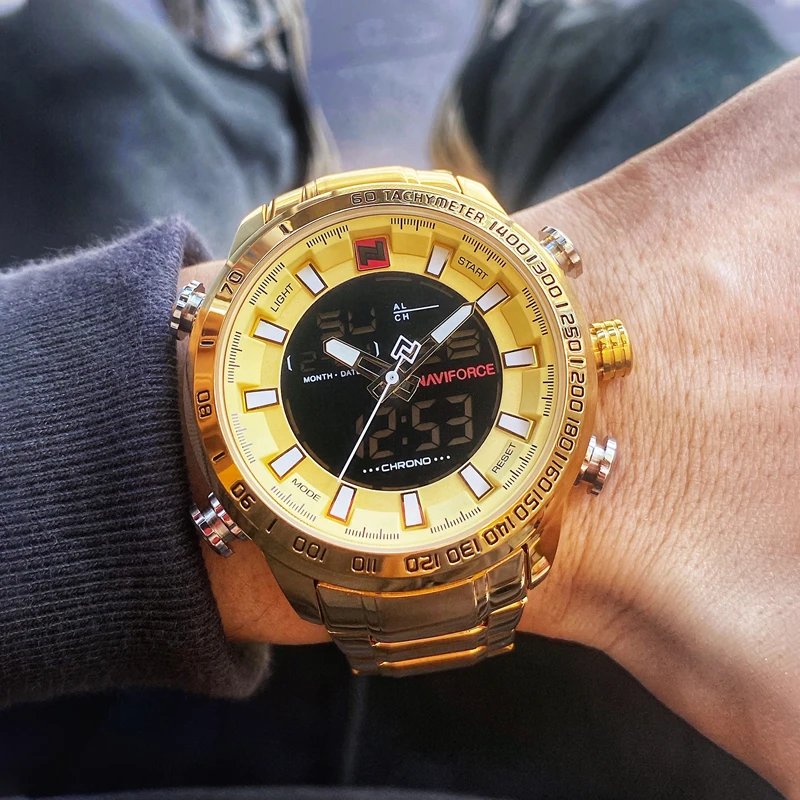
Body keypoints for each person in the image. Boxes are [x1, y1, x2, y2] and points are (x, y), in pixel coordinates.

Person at [0, 0, 796, 798]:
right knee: (685, 34)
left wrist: (122, 391)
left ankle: (242, 102)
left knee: (72, 67)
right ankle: (547, 45)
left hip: (108, 742)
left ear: (600, 350)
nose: (393, 385)